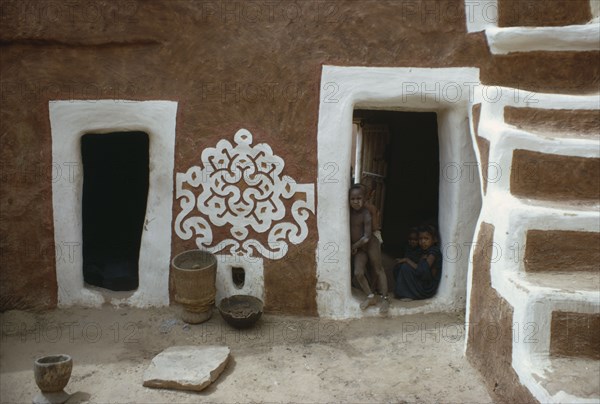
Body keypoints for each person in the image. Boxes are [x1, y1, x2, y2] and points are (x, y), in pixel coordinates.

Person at [349, 184, 389, 314]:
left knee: (378, 269)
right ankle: (370, 296)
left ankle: (385, 299)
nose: (356, 202)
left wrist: (354, 246)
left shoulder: (366, 213)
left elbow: (367, 236)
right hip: (361, 249)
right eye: (353, 199)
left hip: (370, 244)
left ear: (365, 198)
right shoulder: (348, 213)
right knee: (358, 273)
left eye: (359, 198)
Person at [393, 225, 442, 301]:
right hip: (424, 281)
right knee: (400, 266)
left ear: (434, 240)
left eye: (426, 239)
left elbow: (421, 271)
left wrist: (407, 260)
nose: (423, 242)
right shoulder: (424, 251)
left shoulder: (433, 253)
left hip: (428, 288)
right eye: (420, 239)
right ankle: (407, 292)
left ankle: (409, 294)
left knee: (406, 267)